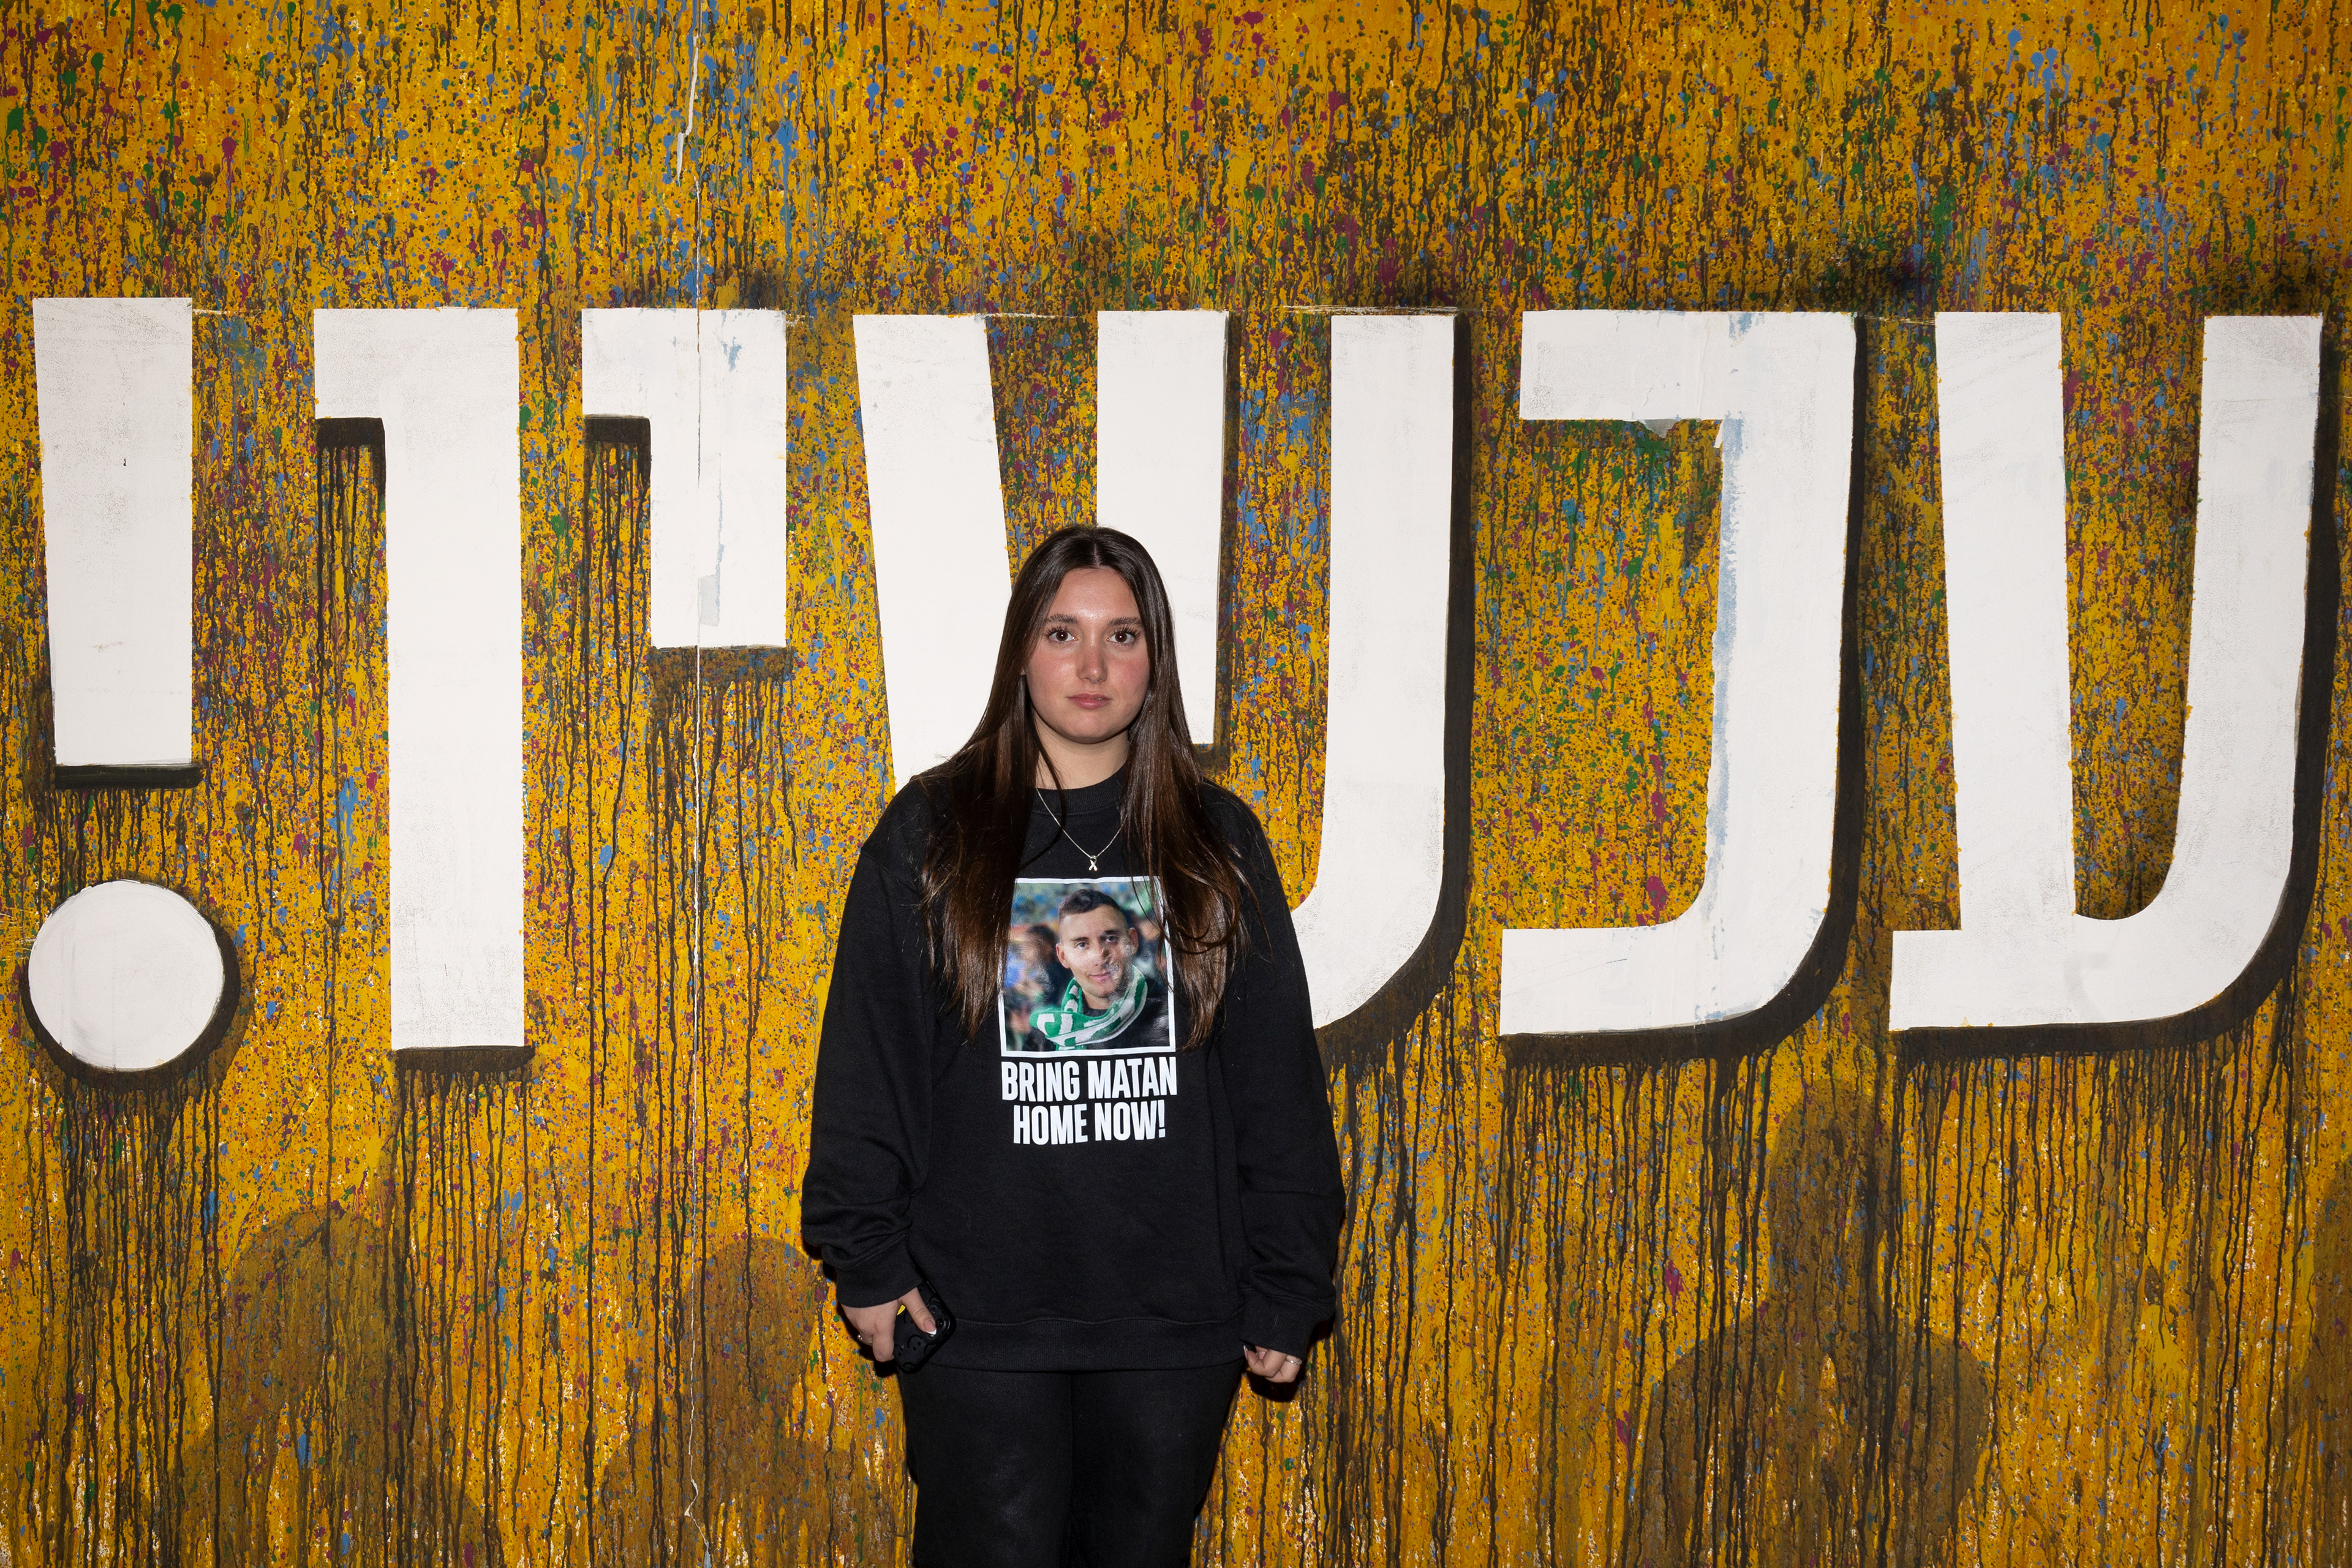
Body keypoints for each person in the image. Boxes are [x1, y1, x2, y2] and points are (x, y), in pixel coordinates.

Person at [802, 524, 1346, 1568]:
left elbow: (1275, 1083)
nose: (1093, 665)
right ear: (1021, 652)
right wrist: (865, 1260)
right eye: (1063, 632)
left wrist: (1290, 1277)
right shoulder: (933, 832)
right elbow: (867, 1063)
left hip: (1171, 1325)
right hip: (976, 1322)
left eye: (1123, 636)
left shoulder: (1216, 841)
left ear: (1157, 663)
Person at [1017, 885, 1174, 1052]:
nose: (1099, 956)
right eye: (1082, 944)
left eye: (1111, 939)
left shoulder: (1171, 1018)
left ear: (1132, 942)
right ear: (1063, 956)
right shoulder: (1045, 1036)